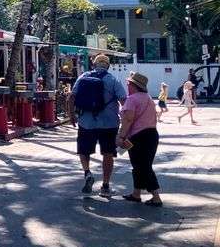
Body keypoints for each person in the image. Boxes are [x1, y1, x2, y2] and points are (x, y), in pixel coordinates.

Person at [68, 53, 127, 197]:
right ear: (107, 66)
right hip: (109, 123)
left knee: (84, 150)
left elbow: (71, 97)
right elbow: (124, 101)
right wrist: (126, 121)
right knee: (108, 154)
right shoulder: (113, 80)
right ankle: (105, 186)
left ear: (94, 64)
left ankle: (87, 172)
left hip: (86, 121)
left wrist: (71, 115)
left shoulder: (83, 77)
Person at [117, 71, 162, 207]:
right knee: (139, 165)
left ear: (132, 85)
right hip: (151, 134)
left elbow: (128, 119)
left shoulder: (132, 99)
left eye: (128, 83)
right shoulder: (147, 97)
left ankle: (156, 196)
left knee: (142, 166)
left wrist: (121, 136)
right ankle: (136, 193)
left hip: (137, 136)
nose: (127, 86)